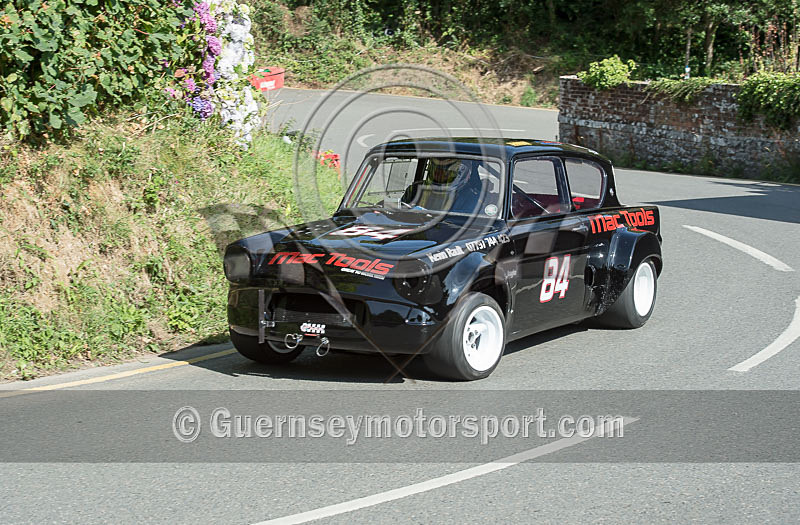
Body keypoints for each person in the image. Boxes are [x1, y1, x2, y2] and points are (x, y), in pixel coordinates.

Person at [402, 158, 486, 214]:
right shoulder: (414, 190)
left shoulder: (472, 198)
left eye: (450, 172)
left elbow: (466, 227)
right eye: (437, 169)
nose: (441, 175)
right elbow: (400, 215)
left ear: (463, 175)